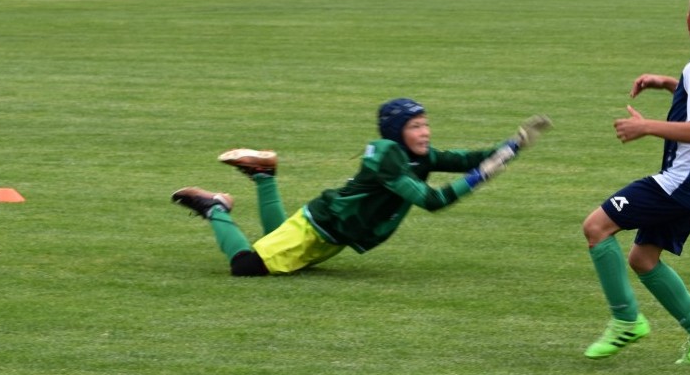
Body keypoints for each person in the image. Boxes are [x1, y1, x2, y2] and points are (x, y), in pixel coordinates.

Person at [171, 98, 552, 276]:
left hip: (334, 234)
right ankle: (215, 206)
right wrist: (482, 175)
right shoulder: (387, 155)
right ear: (395, 132)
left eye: (425, 124)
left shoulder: (418, 155)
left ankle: (264, 176)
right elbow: (432, 201)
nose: (425, 131)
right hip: (322, 224)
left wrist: (513, 145)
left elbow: (468, 158)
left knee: (274, 243)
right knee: (247, 266)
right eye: (415, 126)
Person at [580, 0, 690, 365]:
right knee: (642, 258)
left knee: (595, 228)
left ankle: (625, 320)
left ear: (689, 21)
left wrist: (646, 126)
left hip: (680, 182)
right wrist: (669, 83)